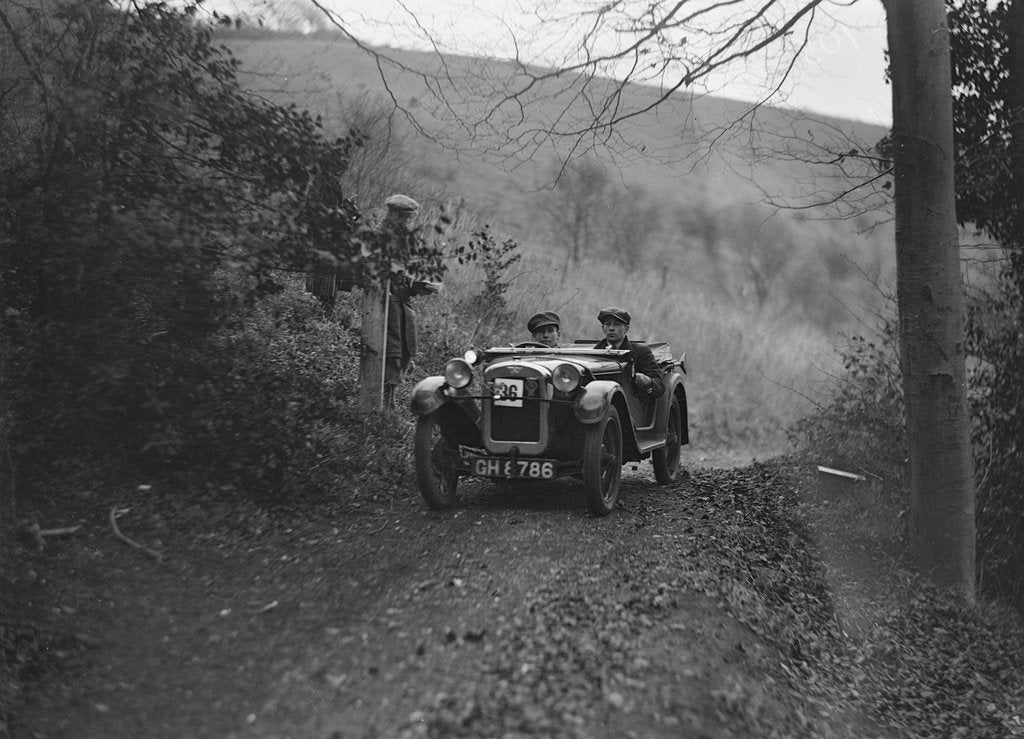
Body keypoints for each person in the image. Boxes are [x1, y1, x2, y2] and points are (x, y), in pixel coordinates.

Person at [380, 194, 439, 407]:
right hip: (387, 299)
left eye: (409, 218)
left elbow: (402, 270)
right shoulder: (382, 237)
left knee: (405, 348)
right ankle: (386, 400)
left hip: (402, 300)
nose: (406, 222)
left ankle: (390, 397)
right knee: (393, 350)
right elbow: (380, 269)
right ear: (392, 214)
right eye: (402, 217)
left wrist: (418, 283)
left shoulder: (403, 238)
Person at [593, 306, 665, 399]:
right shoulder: (594, 353)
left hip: (631, 406)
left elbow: (659, 387)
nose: (611, 328)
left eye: (617, 324)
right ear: (603, 328)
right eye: (607, 324)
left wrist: (646, 381)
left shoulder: (641, 352)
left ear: (626, 329)